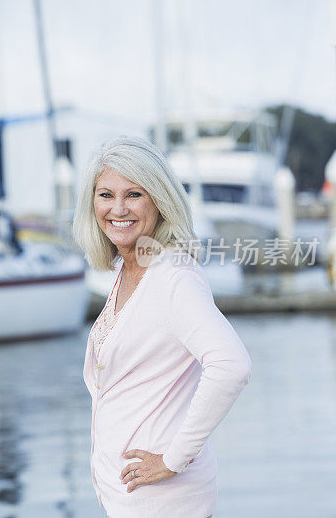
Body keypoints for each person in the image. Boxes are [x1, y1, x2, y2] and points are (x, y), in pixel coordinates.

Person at [72, 136, 251, 517]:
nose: (117, 208)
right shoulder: (130, 267)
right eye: (105, 195)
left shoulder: (172, 276)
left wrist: (174, 458)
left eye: (133, 194)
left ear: (159, 199)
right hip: (128, 495)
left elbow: (231, 365)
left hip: (163, 500)